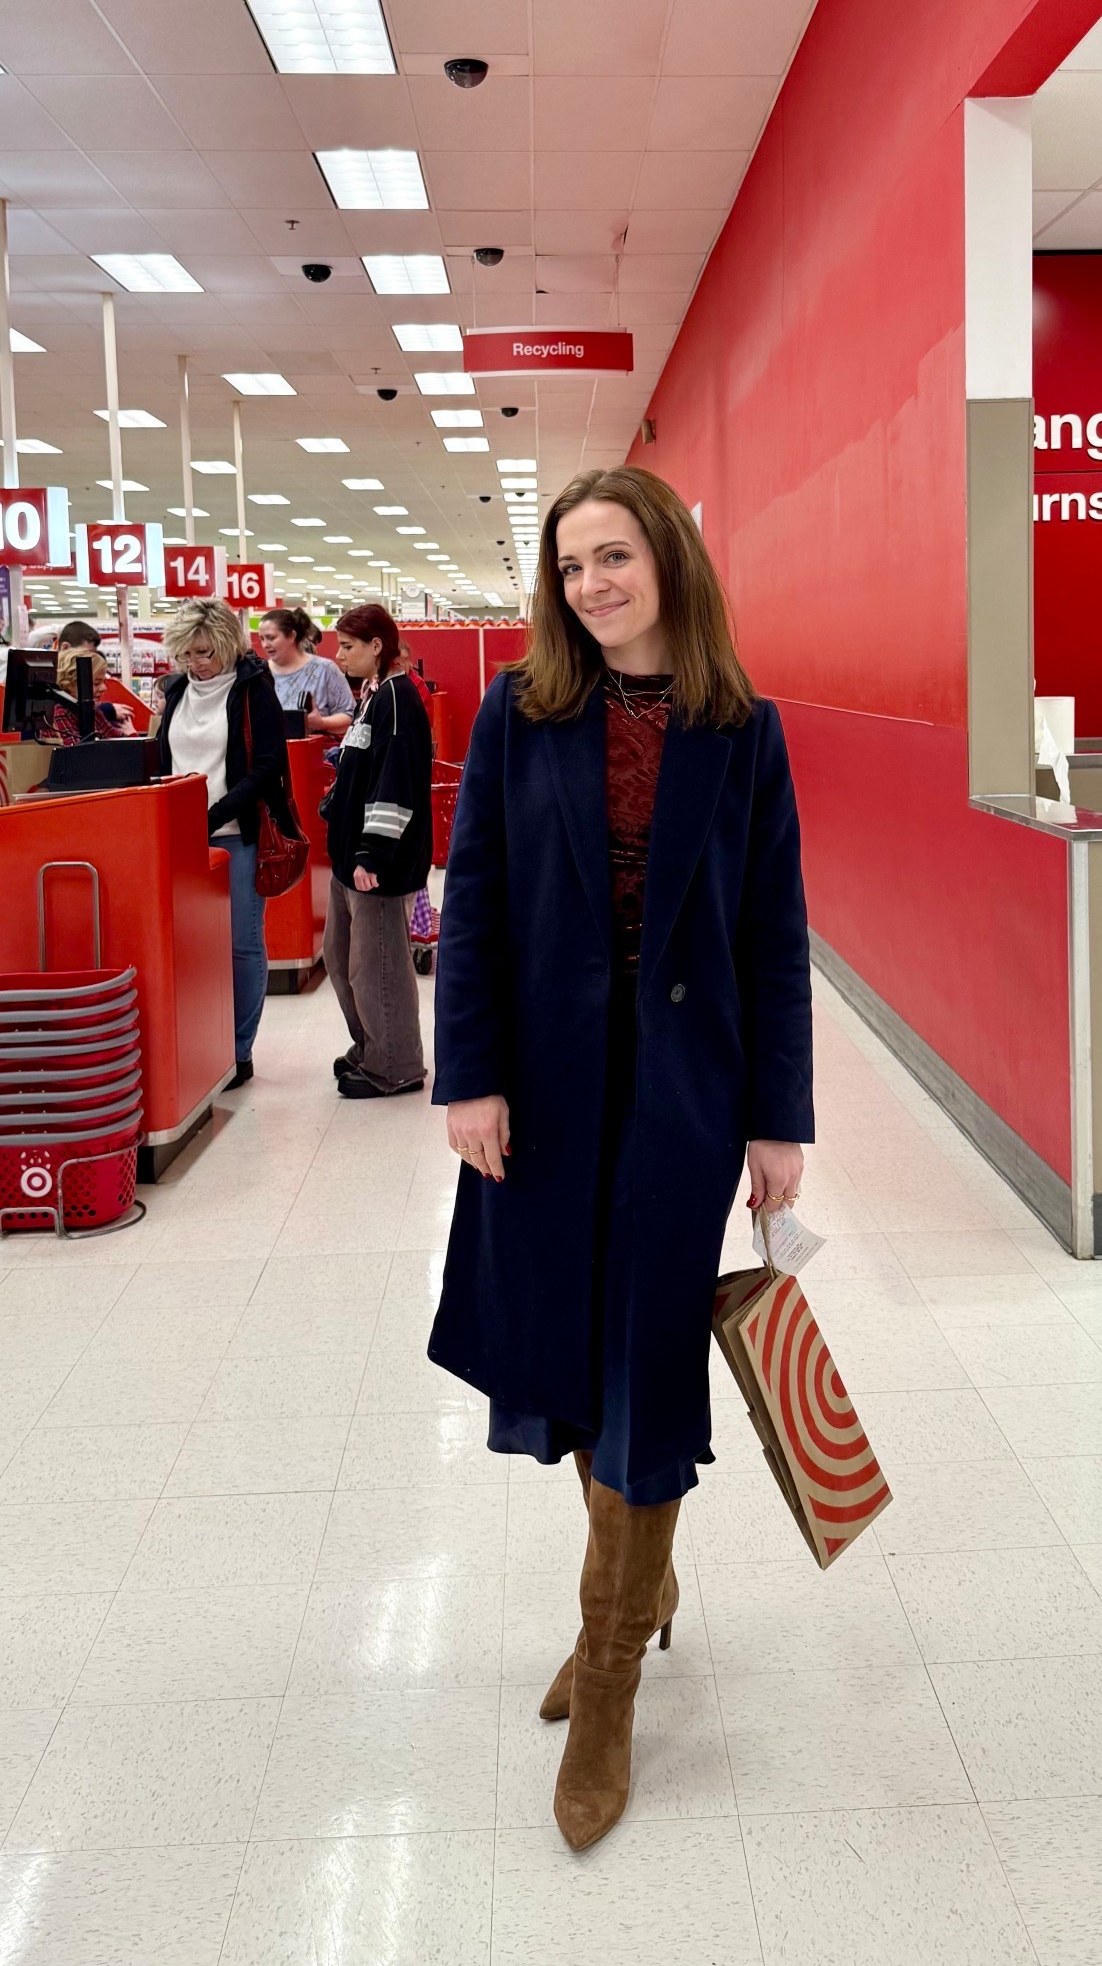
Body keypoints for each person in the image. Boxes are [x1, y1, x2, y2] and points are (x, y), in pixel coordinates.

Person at [427, 465, 814, 1851]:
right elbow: (470, 901)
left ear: (666, 563)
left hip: (685, 1104)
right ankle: (638, 1596)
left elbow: (772, 932)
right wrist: (462, 1074)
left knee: (644, 1363)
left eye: (612, 557)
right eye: (569, 563)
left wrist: (780, 1118)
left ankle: (604, 1687)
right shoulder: (521, 713)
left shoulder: (742, 728)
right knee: (572, 1357)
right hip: (539, 1095)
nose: (589, 584)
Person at [156, 599, 292, 1090]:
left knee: (240, 943)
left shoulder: (253, 689)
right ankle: (203, 1044)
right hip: (178, 838)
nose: (198, 662)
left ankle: (239, 1050)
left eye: (207, 652)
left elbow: (267, 766)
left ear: (228, 646)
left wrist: (211, 814)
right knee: (191, 946)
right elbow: (163, 757)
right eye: (189, 653)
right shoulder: (175, 692)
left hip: (235, 836)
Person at [322, 602, 432, 1099]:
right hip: (350, 859)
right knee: (341, 959)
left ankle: (396, 1066)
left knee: (378, 967)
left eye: (347, 646)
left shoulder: (398, 701)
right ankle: (371, 1045)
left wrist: (372, 853)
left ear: (376, 647)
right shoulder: (373, 695)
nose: (339, 656)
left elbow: (397, 783)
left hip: (376, 864)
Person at [258, 605, 355, 740]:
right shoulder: (260, 673)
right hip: (271, 755)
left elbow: (350, 716)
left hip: (315, 754)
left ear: (292, 636)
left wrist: (321, 723)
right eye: (262, 639)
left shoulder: (325, 669)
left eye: (271, 638)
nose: (265, 644)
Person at [39, 648, 135, 744]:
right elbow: (78, 753)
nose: (104, 688)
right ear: (70, 684)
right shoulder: (58, 715)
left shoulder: (95, 712)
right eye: (96, 683)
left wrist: (132, 736)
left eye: (104, 682)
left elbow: (122, 745)